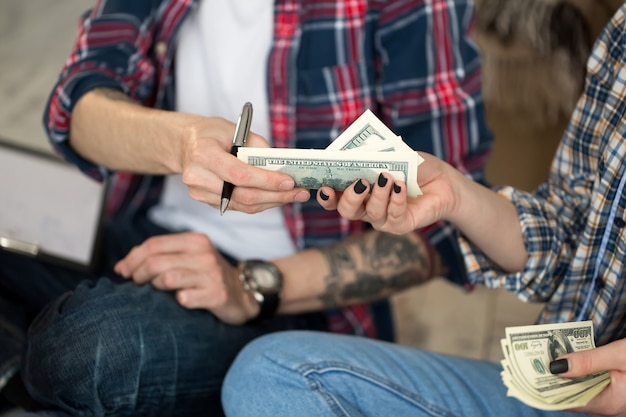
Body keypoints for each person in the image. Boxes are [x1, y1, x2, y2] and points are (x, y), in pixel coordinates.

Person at [0, 0, 492, 416]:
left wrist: (250, 286)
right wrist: (184, 143)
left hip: (291, 292)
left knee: (88, 351)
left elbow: (447, 228)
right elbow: (76, 106)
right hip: (140, 234)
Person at [222, 4, 626, 417]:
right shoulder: (621, 35)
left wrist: (254, 287)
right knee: (269, 375)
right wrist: (455, 195)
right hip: (568, 387)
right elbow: (571, 246)